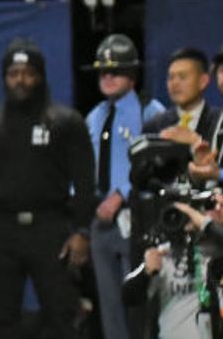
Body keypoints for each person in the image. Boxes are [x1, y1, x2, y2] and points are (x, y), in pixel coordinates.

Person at [0, 38, 95, 338]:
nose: (20, 80)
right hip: (0, 230)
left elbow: (85, 182)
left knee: (62, 315)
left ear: (41, 76)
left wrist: (82, 231)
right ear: (4, 77)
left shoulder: (66, 122)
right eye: (13, 73)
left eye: (28, 73)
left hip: (51, 228)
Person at [84, 34, 165, 339]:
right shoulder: (95, 116)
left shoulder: (150, 111)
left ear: (132, 75)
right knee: (109, 302)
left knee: (140, 299)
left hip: (137, 216)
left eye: (115, 71)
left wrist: (119, 193)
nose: (107, 77)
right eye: (103, 71)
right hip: (101, 219)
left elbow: (156, 164)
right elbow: (87, 167)